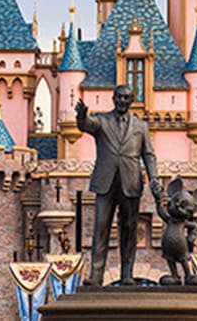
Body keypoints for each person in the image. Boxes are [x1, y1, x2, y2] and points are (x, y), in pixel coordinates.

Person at [75, 85, 162, 285]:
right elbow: (87, 125)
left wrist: (154, 178)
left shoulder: (140, 127)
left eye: (127, 98)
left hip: (130, 182)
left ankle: (126, 275)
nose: (123, 101)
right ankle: (96, 276)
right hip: (105, 182)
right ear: (113, 98)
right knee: (101, 228)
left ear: (132, 100)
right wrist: (81, 117)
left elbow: (148, 155)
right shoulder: (102, 121)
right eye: (120, 97)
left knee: (129, 229)